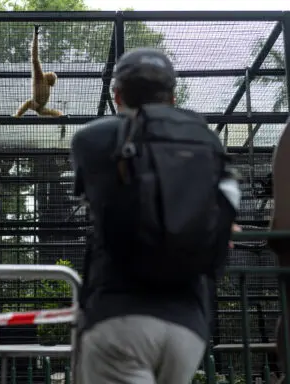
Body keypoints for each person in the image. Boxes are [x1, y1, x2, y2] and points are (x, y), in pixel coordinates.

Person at [71, 48, 241, 384]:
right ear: (173, 96)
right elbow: (228, 206)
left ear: (116, 94)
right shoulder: (205, 139)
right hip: (188, 324)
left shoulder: (91, 139)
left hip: (118, 317)